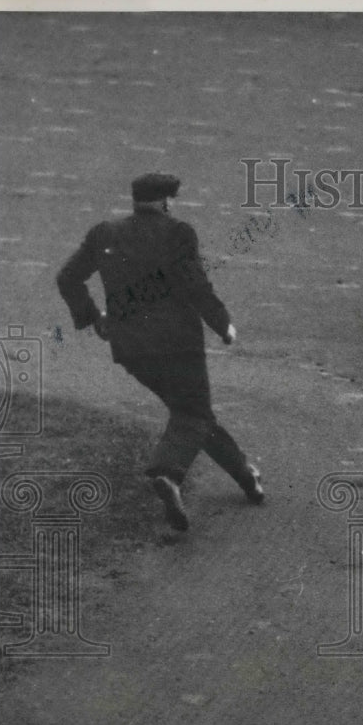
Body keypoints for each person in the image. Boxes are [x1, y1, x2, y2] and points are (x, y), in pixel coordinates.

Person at [57, 173, 263, 532]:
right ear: (167, 202)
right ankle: (168, 474)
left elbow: (68, 278)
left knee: (193, 413)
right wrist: (223, 324)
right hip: (178, 344)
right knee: (192, 415)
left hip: (131, 350)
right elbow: (194, 282)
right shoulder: (178, 232)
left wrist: (94, 318)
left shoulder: (103, 233)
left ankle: (246, 475)